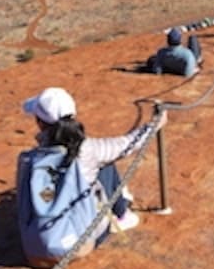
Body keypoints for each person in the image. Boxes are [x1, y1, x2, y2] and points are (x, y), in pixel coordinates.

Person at [21, 87, 167, 243]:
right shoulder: (89, 149)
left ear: (39, 123)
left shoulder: (32, 158)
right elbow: (127, 144)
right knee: (105, 164)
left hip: (37, 240)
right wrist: (155, 124)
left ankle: (119, 202)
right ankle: (122, 213)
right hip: (84, 237)